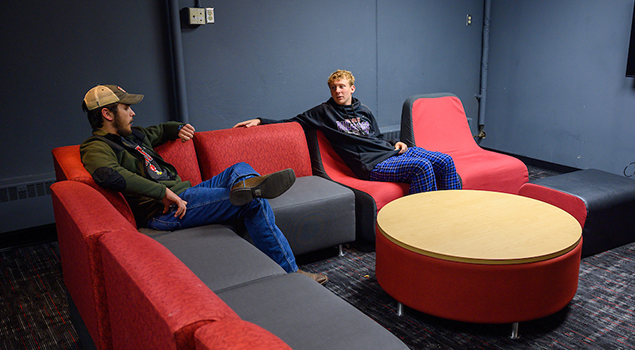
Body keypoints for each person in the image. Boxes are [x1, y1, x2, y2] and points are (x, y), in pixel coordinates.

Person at [79, 84, 327, 284]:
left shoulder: (132, 136)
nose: (132, 113)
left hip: (186, 192)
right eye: (126, 108)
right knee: (254, 202)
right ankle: (291, 273)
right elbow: (109, 176)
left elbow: (161, 130)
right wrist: (161, 191)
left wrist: (178, 128)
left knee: (239, 168)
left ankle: (246, 186)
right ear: (107, 114)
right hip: (165, 210)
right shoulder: (96, 147)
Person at [235, 69, 461, 194]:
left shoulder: (364, 110)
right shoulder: (323, 112)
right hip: (372, 165)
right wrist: (260, 120)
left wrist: (397, 144)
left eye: (341, 86)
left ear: (352, 88)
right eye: (333, 87)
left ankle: (453, 212)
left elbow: (378, 138)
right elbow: (291, 122)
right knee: (422, 167)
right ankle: (425, 222)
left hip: (391, 153)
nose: (337, 90)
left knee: (445, 161)